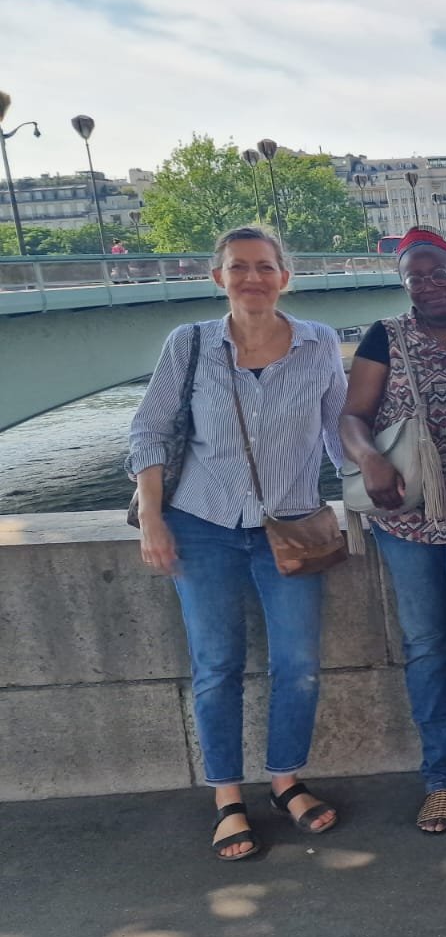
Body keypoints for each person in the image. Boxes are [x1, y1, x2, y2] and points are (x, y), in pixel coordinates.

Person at [128, 225, 345, 861]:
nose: (253, 278)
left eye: (265, 267)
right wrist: (153, 516)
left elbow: (337, 432)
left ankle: (285, 780)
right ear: (217, 277)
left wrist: (373, 492)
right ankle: (227, 796)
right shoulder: (190, 344)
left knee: (299, 665)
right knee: (217, 666)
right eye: (239, 267)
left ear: (286, 277)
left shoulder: (319, 343)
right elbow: (150, 431)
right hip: (203, 524)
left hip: (292, 523)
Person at [339, 226, 446, 835]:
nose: (429, 284)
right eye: (416, 277)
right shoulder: (387, 335)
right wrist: (369, 458)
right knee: (427, 648)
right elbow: (353, 415)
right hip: (405, 518)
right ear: (404, 284)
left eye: (440, 272)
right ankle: (441, 774)